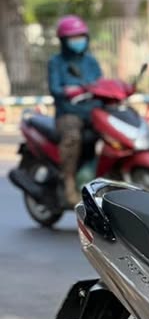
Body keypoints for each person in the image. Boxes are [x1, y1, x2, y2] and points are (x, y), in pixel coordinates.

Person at [48, 15, 102, 206]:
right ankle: (68, 182)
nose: (78, 41)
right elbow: (54, 89)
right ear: (63, 40)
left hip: (92, 110)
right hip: (68, 113)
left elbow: (101, 84)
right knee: (72, 136)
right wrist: (68, 90)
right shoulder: (56, 62)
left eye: (81, 37)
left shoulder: (91, 61)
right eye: (73, 38)